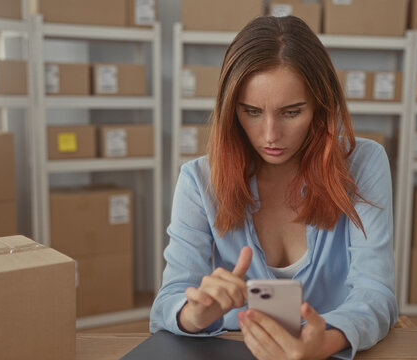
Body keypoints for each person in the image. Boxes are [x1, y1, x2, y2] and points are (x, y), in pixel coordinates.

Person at [150, 15, 397, 359]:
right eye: (251, 111)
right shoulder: (199, 181)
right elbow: (168, 301)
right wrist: (195, 313)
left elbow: (377, 292)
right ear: (230, 110)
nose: (270, 135)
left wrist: (322, 343)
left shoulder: (363, 163)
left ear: (320, 108)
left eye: (291, 112)